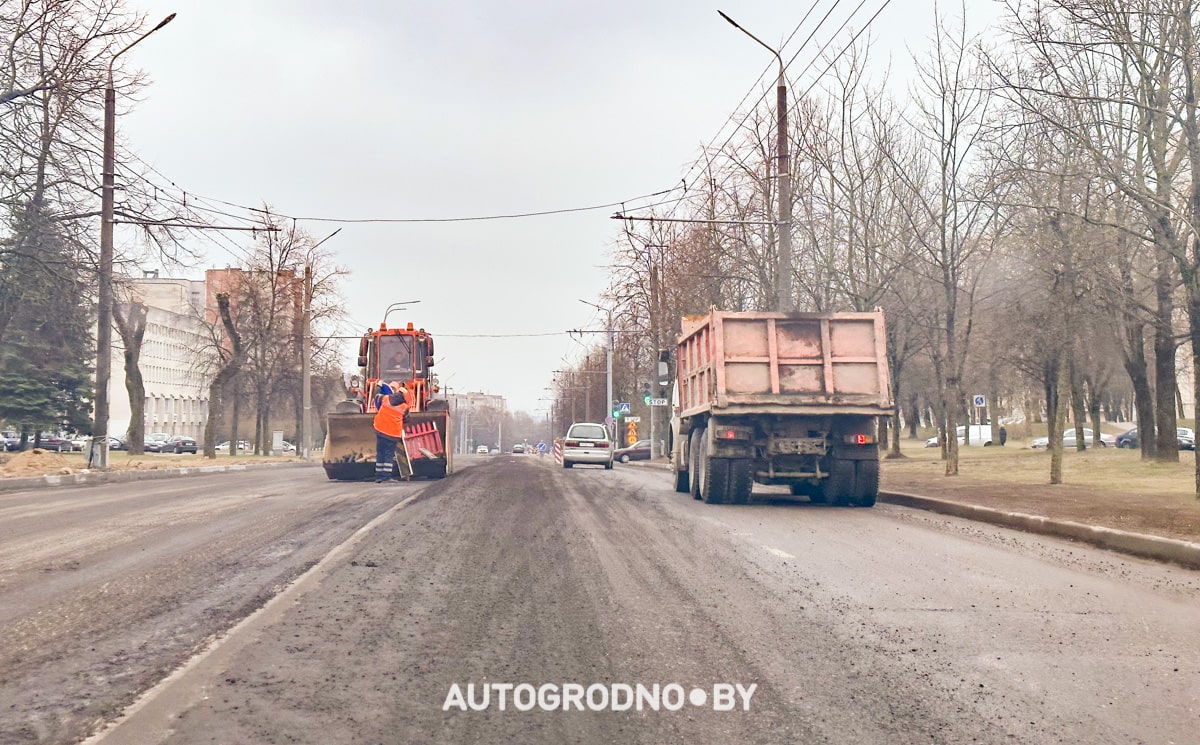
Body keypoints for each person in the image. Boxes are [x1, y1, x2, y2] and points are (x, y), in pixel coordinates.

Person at [373, 381, 412, 482]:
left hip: (380, 430)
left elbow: (376, 396)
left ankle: (378, 476)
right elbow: (407, 420)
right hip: (392, 433)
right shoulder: (404, 407)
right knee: (388, 455)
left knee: (380, 453)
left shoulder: (386, 399)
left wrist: (378, 386)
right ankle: (386, 477)